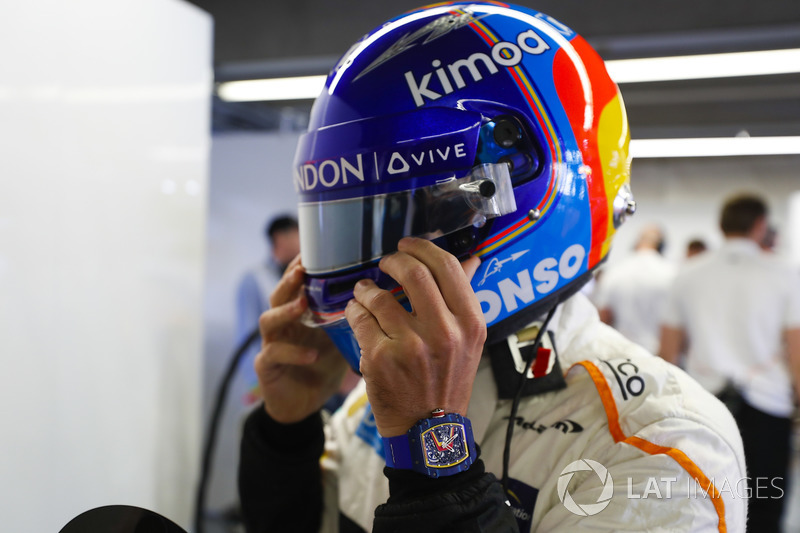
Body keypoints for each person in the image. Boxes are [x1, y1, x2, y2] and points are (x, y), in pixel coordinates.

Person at [238, 3, 746, 532]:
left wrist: (432, 453)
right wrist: (288, 432)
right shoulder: (378, 395)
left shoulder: (667, 443)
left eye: (401, 220)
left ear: (512, 199)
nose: (356, 283)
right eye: (350, 225)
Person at [660, 193, 800, 532]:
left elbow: (669, 350)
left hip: (705, 404)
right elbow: (795, 344)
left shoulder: (686, 274)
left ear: (721, 226)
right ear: (760, 226)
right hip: (769, 402)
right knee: (766, 504)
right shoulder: (785, 273)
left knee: (708, 503)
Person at [235, 215, 300, 402]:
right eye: (298, 235)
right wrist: (257, 384)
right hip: (269, 381)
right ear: (281, 238)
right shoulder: (254, 278)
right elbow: (246, 335)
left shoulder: (299, 275)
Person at [593, 225, 676, 354]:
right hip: (658, 355)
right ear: (661, 246)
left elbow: (603, 318)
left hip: (622, 354)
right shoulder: (671, 273)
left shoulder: (615, 272)